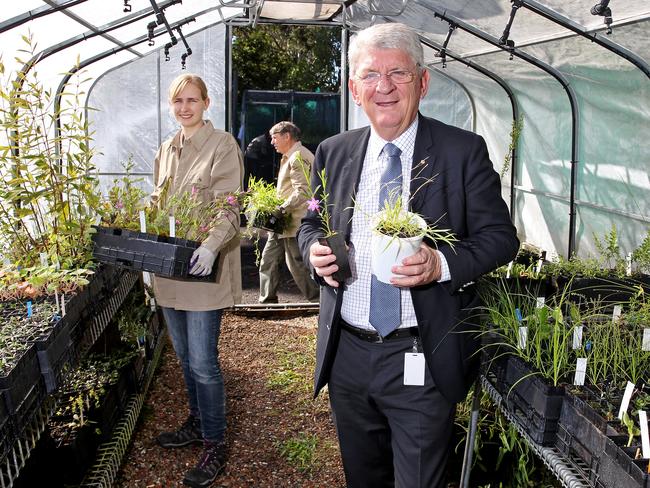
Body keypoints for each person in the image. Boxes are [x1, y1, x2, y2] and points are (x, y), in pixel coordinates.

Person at [297, 23, 519, 488]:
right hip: (348, 357)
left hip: (421, 355)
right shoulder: (332, 153)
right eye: (370, 75)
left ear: (422, 82)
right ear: (354, 88)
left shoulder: (462, 152)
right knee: (363, 477)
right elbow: (312, 221)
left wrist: (441, 264)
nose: (384, 87)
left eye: (398, 73)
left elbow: (500, 237)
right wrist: (313, 248)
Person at [151, 73, 243, 488]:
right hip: (170, 271)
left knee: (205, 364)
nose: (184, 107)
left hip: (203, 270)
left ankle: (215, 442)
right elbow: (158, 199)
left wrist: (210, 246)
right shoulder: (167, 149)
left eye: (192, 100)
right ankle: (196, 421)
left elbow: (229, 204)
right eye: (178, 101)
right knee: (185, 358)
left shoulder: (222, 145)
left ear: (206, 103)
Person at [258, 121, 319, 303]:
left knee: (297, 265)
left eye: (274, 138)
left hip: (293, 221)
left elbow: (303, 191)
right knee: (268, 259)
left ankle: (319, 300)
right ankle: (266, 301)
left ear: (287, 136)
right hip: (283, 221)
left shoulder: (297, 157)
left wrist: (280, 208)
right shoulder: (293, 156)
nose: (272, 142)